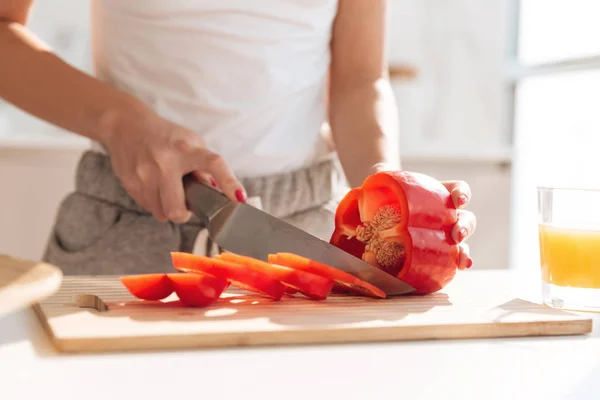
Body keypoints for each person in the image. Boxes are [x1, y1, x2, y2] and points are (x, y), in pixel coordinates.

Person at [0, 0, 476, 276]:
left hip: (308, 233)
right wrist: (120, 120)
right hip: (126, 222)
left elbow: (358, 79)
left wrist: (388, 190)